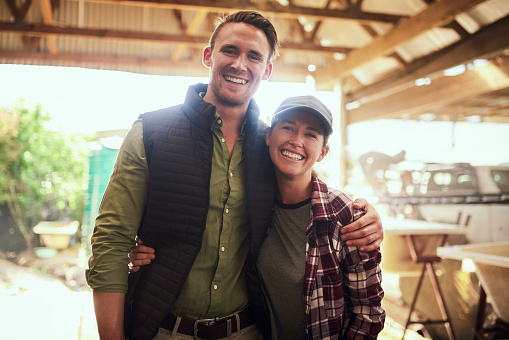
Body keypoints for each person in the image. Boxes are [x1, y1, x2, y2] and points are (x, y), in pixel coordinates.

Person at [86, 10, 384, 340]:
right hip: (164, 329)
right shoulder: (151, 131)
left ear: (267, 70)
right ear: (208, 56)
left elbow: (305, 188)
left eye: (254, 56)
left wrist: (364, 216)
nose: (240, 64)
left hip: (246, 330)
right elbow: (111, 240)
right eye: (230, 50)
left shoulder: (269, 144)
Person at [131, 96, 385, 339]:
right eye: (288, 127)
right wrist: (140, 251)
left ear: (322, 152)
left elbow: (368, 312)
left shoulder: (343, 215)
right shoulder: (253, 202)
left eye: (311, 134)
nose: (297, 140)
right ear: (268, 135)